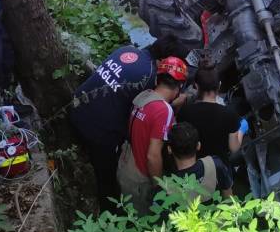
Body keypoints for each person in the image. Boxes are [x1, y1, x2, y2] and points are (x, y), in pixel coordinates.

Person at [69, 36, 182, 208]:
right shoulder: (149, 76)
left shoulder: (128, 50)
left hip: (78, 106)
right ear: (163, 61)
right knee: (106, 175)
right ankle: (109, 213)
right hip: (98, 129)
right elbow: (151, 108)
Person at [116, 56, 187, 213]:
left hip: (126, 162)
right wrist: (160, 187)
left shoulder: (145, 95)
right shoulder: (164, 111)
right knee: (139, 220)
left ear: (157, 79)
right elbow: (152, 156)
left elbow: (153, 112)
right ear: (179, 86)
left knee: (127, 210)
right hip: (139, 177)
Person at [177, 66, 241, 161]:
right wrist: (241, 131)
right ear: (219, 85)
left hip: (192, 164)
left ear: (196, 86)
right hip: (217, 167)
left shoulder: (185, 111)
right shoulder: (230, 114)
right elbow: (234, 148)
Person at [163, 122, 233, 200]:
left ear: (169, 149)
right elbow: (229, 198)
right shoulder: (215, 164)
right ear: (198, 146)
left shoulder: (166, 186)